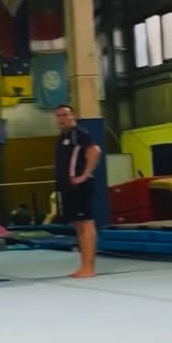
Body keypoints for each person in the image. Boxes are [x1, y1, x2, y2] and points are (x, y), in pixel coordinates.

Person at [54, 104, 101, 278]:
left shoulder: (79, 134)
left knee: (85, 224)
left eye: (65, 114)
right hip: (67, 187)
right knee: (78, 226)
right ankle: (83, 265)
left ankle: (89, 267)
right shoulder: (62, 137)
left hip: (79, 186)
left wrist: (85, 175)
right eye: (58, 115)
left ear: (72, 116)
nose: (61, 118)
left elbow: (95, 151)